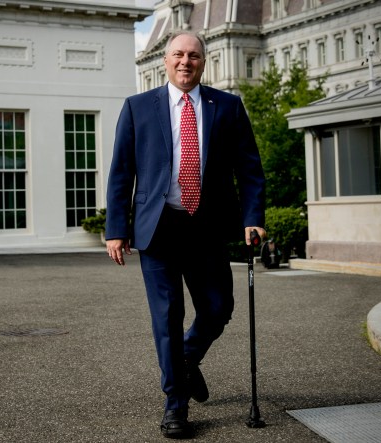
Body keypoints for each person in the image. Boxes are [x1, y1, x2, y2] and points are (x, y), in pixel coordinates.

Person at [105, 30, 266, 439]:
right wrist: (116, 229)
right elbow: (122, 172)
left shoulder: (227, 106)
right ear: (165, 60)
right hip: (158, 228)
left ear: (204, 61)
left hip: (207, 227)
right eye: (178, 54)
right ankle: (175, 405)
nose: (185, 62)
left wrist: (253, 216)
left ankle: (187, 359)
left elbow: (249, 168)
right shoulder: (139, 107)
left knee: (217, 308)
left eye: (193, 55)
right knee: (168, 316)